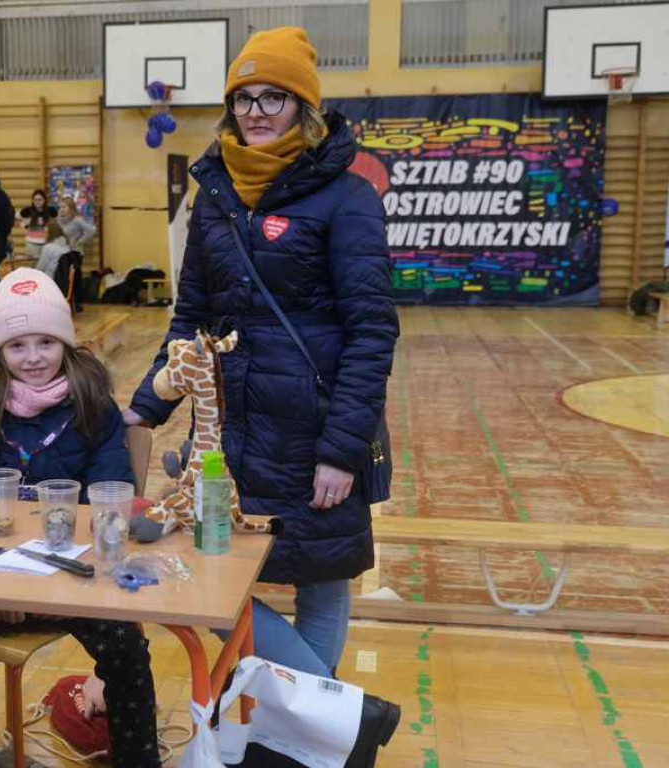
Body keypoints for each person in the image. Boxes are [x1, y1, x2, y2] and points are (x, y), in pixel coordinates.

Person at [125, 28, 401, 681]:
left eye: (273, 97)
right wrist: (145, 406)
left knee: (322, 581)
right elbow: (191, 316)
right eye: (244, 97)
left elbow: (371, 329)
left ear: (303, 109)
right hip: (229, 430)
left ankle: (305, 732)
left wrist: (341, 450)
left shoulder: (347, 197)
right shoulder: (214, 193)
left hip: (315, 428)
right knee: (210, 573)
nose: (255, 111)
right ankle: (316, 721)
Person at [0, 268, 161, 768]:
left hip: (72, 570)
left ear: (66, 343)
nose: (33, 357)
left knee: (126, 649)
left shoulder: (92, 401)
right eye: (17, 345)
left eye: (46, 342)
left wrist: (49, 577)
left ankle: (139, 759)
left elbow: (110, 492)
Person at [18, 188, 57, 260]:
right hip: (32, 243)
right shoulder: (27, 210)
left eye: (40, 199)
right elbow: (17, 218)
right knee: (35, 266)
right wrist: (24, 226)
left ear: (44, 200)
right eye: (35, 200)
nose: (37, 202)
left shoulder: (51, 211)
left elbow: (57, 223)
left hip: (47, 243)